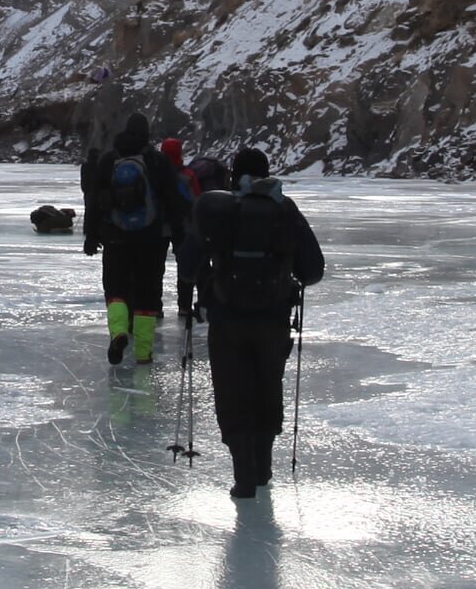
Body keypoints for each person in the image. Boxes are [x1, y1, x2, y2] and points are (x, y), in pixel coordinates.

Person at [184, 147, 325, 498]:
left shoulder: (218, 211)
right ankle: (262, 466)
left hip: (227, 318)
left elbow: (188, 264)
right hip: (273, 319)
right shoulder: (284, 208)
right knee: (267, 385)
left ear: (234, 175)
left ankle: (243, 473)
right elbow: (313, 269)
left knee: (232, 391)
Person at [80, 115, 191, 367]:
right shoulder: (157, 160)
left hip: (115, 237)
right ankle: (143, 353)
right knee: (147, 296)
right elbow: (172, 200)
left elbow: (94, 200)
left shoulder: (109, 160)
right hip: (150, 240)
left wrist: (91, 234)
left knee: (116, 290)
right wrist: (178, 236)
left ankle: (119, 331)